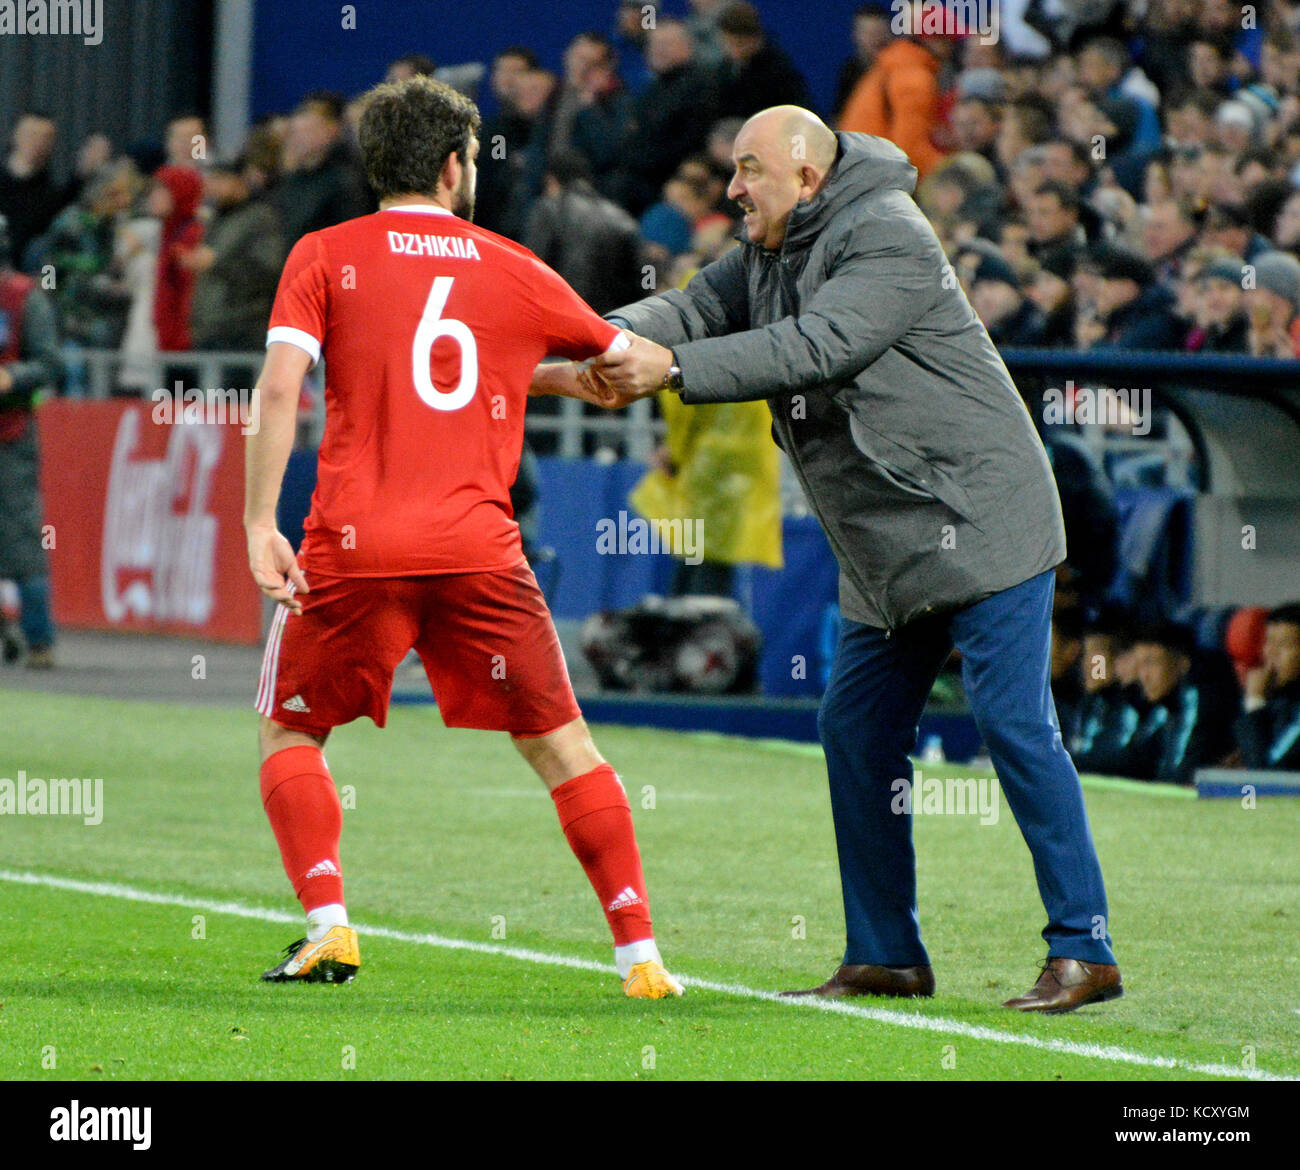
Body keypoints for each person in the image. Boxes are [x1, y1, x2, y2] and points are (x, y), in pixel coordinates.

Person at [587, 105, 1122, 1013]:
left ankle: (1086, 951)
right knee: (856, 728)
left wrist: (670, 372)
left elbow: (815, 346)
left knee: (1013, 722)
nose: (731, 188)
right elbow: (686, 307)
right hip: (887, 541)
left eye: (748, 168)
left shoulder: (888, 232)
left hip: (980, 514)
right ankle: (885, 955)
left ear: (805, 175)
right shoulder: (767, 246)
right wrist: (593, 337)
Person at [246, 75, 680, 999]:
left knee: (290, 730)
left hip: (354, 545)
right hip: (480, 551)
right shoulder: (513, 265)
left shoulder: (325, 253)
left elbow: (282, 388)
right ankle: (640, 956)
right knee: (565, 745)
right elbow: (617, 364)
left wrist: (256, 522)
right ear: (455, 166)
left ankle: (328, 926)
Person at [0, 213, 62, 668]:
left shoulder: (25, 298)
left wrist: (11, 377)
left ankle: (40, 640)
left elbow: (51, 363)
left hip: (12, 434)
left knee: (22, 536)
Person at [189, 157, 285, 351]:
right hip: (210, 329)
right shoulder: (217, 219)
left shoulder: (261, 217)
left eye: (219, 179)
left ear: (239, 180)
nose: (212, 187)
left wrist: (217, 265)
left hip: (242, 331)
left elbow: (267, 272)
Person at [274, 92, 374, 247]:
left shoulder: (346, 180)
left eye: (308, 131)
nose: (297, 140)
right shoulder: (293, 178)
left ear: (331, 130)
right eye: (295, 133)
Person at [1235, 603, 1300, 770]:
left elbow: (1265, 775)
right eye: (1268, 642)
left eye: (1284, 645)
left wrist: (1255, 703)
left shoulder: (1260, 697)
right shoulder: (1280, 697)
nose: (1271, 653)